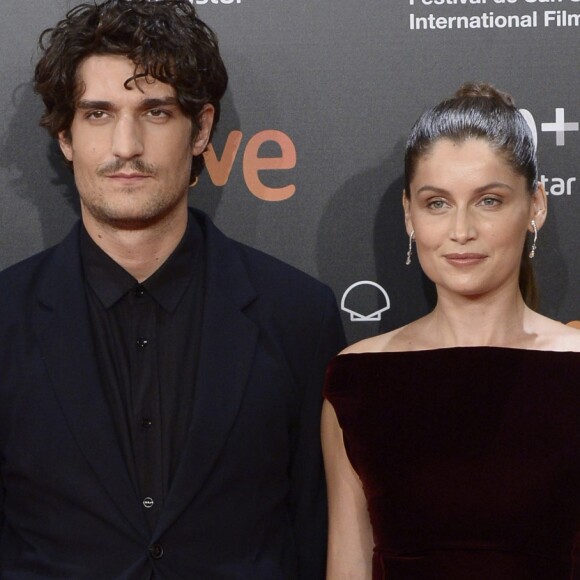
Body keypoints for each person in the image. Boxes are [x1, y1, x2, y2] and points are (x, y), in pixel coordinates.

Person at [0, 1, 345, 578]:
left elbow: (319, 530)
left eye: (155, 112)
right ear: (65, 135)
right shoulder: (6, 320)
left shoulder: (298, 314)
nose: (126, 145)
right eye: (98, 114)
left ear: (201, 129)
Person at [322, 83, 580, 579]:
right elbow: (348, 566)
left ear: (535, 207)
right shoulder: (356, 384)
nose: (461, 230)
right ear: (409, 214)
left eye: (488, 200)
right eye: (437, 203)